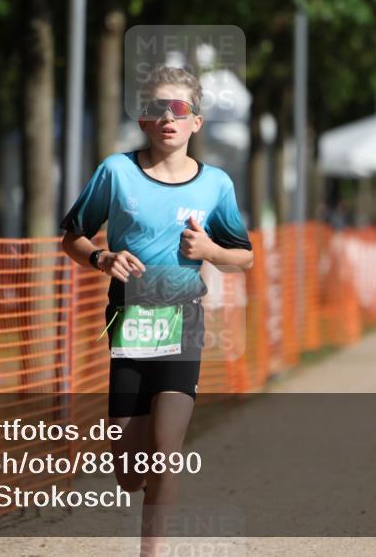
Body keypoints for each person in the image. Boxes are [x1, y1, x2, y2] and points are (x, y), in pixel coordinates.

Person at [60, 65, 253, 552]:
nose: (169, 117)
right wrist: (103, 258)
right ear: (144, 120)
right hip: (129, 322)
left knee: (165, 455)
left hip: (184, 320)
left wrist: (210, 251)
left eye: (180, 108)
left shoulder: (216, 185)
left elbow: (244, 257)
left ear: (197, 122)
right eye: (157, 109)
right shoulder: (116, 172)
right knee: (128, 473)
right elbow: (72, 237)